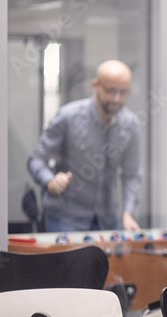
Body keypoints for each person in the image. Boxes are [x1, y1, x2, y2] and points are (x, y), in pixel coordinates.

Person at [27, 59, 142, 232]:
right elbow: (36, 159)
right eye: (111, 91)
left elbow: (131, 175)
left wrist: (128, 213)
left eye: (123, 92)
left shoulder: (130, 124)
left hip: (107, 220)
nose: (117, 98)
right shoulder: (68, 117)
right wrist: (50, 181)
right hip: (64, 219)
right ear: (95, 85)